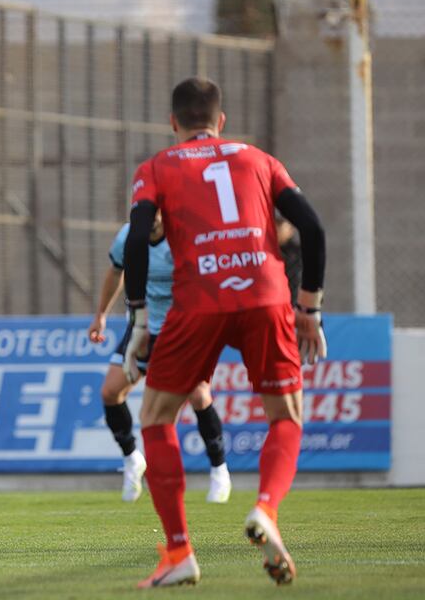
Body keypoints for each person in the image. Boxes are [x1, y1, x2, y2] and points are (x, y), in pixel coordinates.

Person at [123, 77, 326, 588]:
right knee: (286, 416)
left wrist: (140, 318)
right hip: (266, 295)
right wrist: (310, 308)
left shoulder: (157, 167)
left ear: (173, 123)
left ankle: (179, 552)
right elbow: (313, 228)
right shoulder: (260, 160)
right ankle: (266, 509)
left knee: (156, 417)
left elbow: (137, 238)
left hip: (199, 299)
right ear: (221, 121)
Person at [88, 211, 231, 504]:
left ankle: (219, 470)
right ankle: (132, 459)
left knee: (198, 395)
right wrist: (101, 314)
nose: (149, 215)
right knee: (110, 392)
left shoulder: (183, 237)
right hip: (141, 329)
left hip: (181, 329)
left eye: (154, 209)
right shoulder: (128, 236)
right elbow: (115, 272)